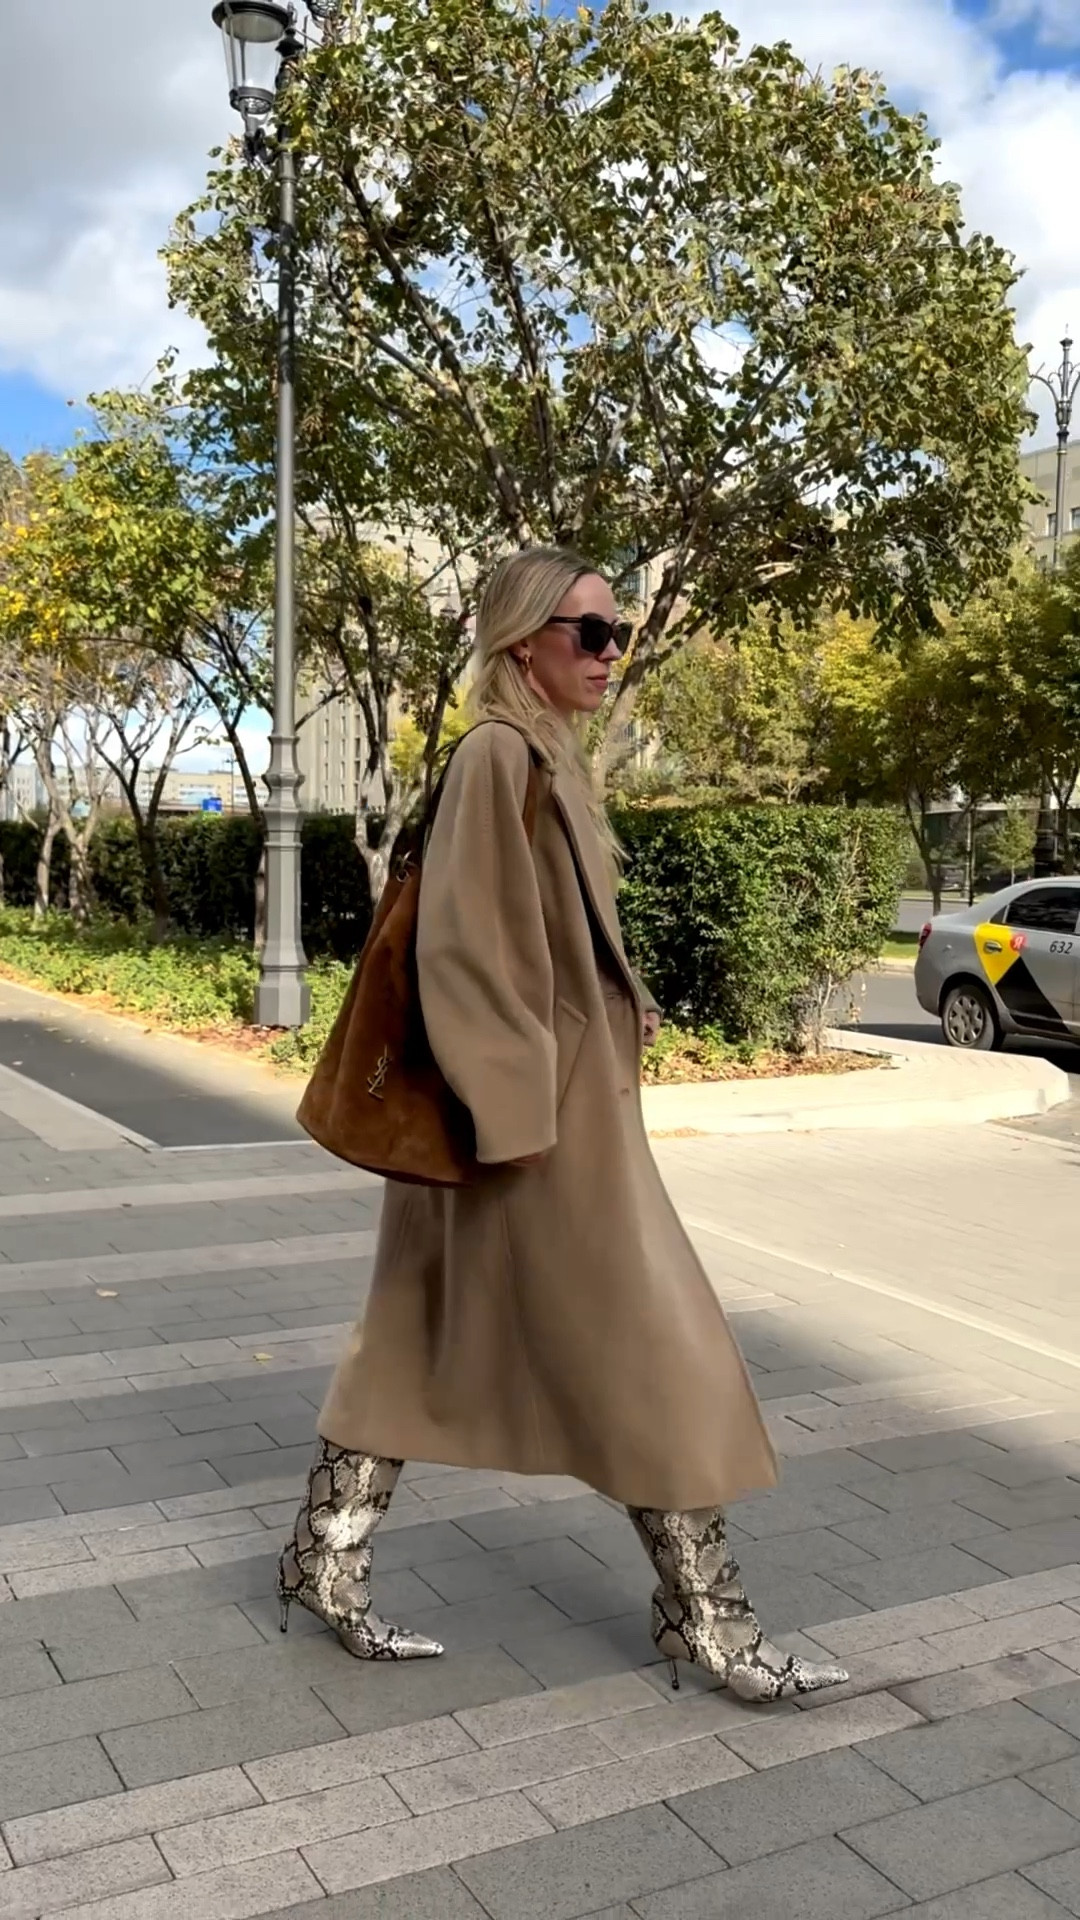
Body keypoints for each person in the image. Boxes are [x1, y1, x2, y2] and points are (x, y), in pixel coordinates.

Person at [278, 547, 847, 1703]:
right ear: (521, 640)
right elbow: (466, 949)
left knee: (413, 1338)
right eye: (588, 632)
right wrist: (518, 1113)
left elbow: (536, 945)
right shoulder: (500, 755)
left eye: (616, 631)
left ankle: (322, 1560)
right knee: (659, 1349)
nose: (610, 652)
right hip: (534, 1133)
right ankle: (708, 1621)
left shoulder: (544, 760)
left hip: (526, 1121)